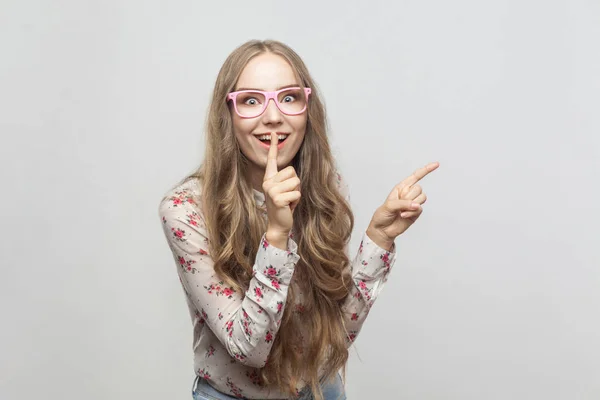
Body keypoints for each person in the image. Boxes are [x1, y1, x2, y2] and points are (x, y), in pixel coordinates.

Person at [158, 39, 439, 400]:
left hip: (322, 391)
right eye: (250, 100)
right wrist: (276, 234)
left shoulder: (325, 188)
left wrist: (379, 239)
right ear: (226, 114)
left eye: (288, 98)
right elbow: (249, 349)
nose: (273, 116)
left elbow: (333, 337)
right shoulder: (185, 209)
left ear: (308, 109)